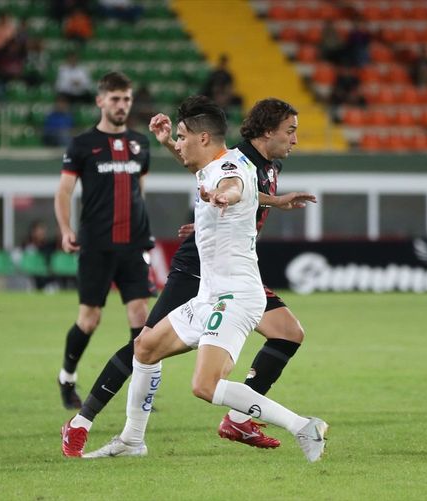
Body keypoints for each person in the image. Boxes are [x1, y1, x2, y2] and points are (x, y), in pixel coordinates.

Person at [62, 96, 328, 462]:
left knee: (207, 383)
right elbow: (218, 177)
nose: (294, 138)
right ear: (268, 132)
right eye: (291, 131)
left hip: (233, 293)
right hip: (207, 285)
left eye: (183, 137)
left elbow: (233, 185)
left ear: (202, 138)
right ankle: (130, 439)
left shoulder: (232, 167)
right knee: (145, 347)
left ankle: (300, 426)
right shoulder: (222, 162)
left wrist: (224, 198)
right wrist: (212, 209)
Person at [54, 71, 155, 410]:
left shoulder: (140, 143)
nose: (121, 105)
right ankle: (67, 377)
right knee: (89, 319)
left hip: (133, 245)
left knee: (140, 317)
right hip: (96, 244)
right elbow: (64, 191)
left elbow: (139, 189)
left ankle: (139, 393)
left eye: (126, 99)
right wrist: (66, 229)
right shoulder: (82, 145)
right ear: (100, 101)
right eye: (115, 99)